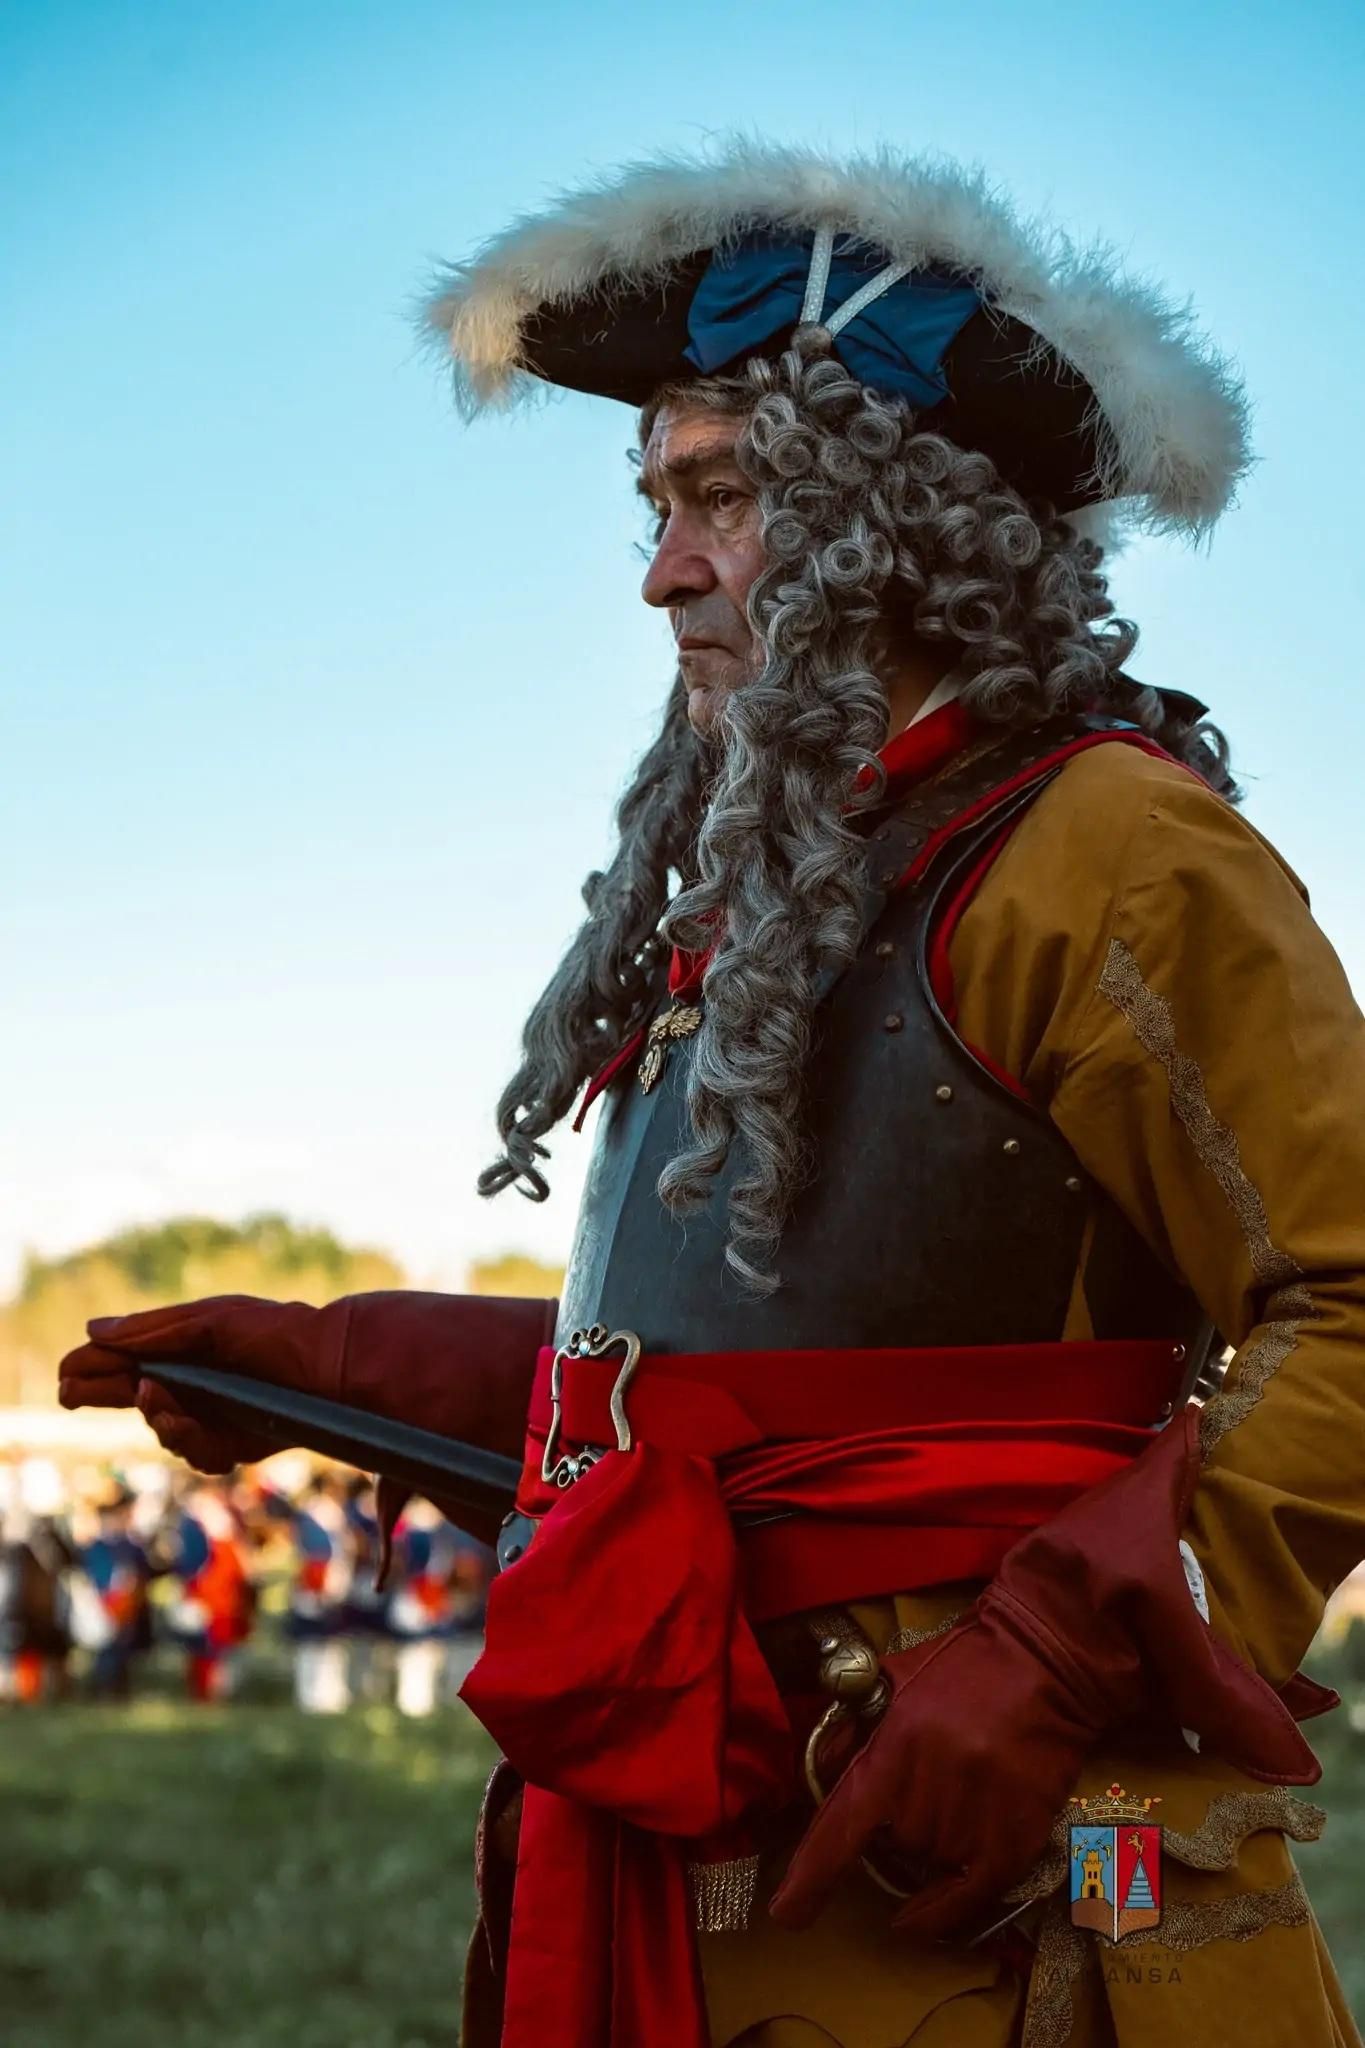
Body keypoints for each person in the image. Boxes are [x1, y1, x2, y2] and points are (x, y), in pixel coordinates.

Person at [58, 139, 1365, 2047]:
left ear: (908, 531)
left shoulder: (1114, 853)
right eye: (657, 505)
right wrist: (341, 1369)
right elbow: (744, 1409)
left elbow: (1347, 1301)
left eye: (723, 498)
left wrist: (1052, 1665)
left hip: (1015, 1886)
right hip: (727, 1858)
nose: (664, 569)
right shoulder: (793, 894)